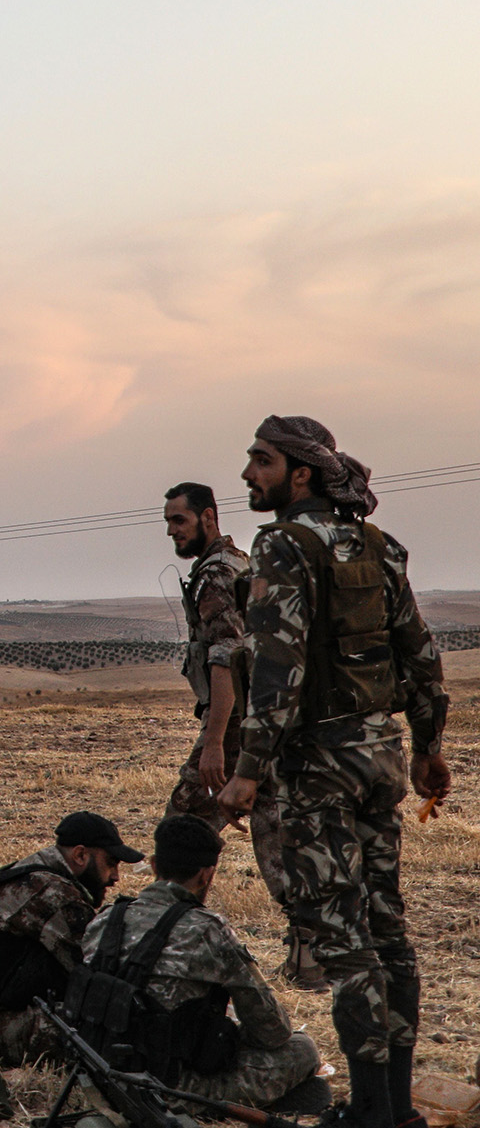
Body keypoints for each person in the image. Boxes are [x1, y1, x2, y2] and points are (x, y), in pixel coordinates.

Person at [219, 416, 450, 1128]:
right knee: (389, 932)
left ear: (302, 473)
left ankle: (372, 1115)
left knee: (346, 945)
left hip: (318, 766)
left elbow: (278, 670)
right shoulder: (379, 545)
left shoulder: (284, 545)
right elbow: (420, 653)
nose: (248, 473)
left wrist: (248, 768)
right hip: (379, 757)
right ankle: (394, 1107)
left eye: (261, 460)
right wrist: (426, 744)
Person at [161, 482, 311, 985]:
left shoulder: (213, 576)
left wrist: (212, 742)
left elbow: (225, 657)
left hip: (234, 726)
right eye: (168, 522)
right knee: (273, 832)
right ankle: (309, 953)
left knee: (182, 830)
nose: (171, 532)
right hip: (264, 723)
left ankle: (166, 938)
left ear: (207, 517)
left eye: (178, 521)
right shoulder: (242, 562)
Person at [72, 816, 322, 1108]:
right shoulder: (207, 929)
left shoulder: (105, 919)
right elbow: (273, 1031)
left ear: (154, 865)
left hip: (96, 1073)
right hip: (169, 1088)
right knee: (302, 1049)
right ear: (206, 875)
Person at [0, 811, 135, 1065]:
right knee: (117, 1031)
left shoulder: (28, 874)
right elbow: (99, 969)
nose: (115, 877)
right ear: (80, 855)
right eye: (111, 863)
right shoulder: (49, 893)